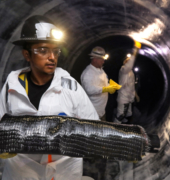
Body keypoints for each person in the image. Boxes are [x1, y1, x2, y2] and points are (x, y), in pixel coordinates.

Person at [0, 15, 99, 180]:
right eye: (43, 50)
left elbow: (93, 127)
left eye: (55, 50)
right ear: (27, 54)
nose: (52, 57)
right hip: (21, 174)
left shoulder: (70, 86)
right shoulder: (12, 87)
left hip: (63, 172)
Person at [81, 46, 120, 121]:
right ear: (95, 59)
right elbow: (89, 89)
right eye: (102, 59)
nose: (103, 61)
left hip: (101, 111)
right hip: (92, 112)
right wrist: (106, 89)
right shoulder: (88, 72)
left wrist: (111, 86)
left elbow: (104, 84)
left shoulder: (101, 70)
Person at [116, 41, 141, 124]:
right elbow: (129, 64)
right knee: (120, 116)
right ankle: (113, 131)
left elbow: (132, 86)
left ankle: (122, 130)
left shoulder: (131, 73)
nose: (128, 60)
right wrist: (135, 51)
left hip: (129, 99)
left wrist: (136, 96)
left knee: (127, 115)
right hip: (123, 98)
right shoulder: (123, 70)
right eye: (127, 60)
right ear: (124, 63)